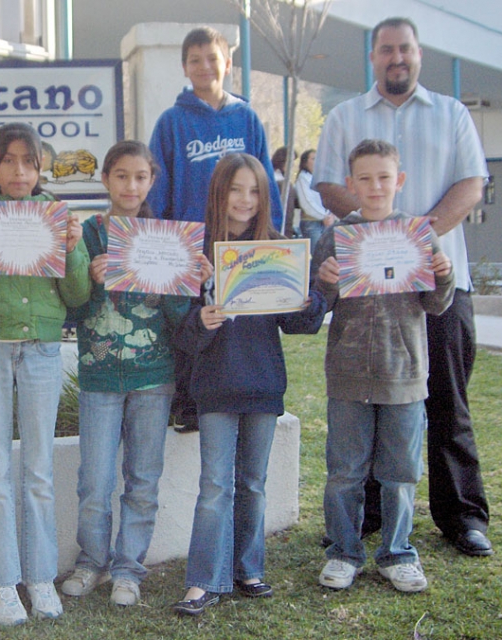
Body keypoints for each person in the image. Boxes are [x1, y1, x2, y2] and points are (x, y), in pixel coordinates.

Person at [312, 16, 492, 557]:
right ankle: (366, 520)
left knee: (446, 400)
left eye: (406, 49)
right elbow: (326, 184)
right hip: (364, 292)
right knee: (369, 398)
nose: (397, 58)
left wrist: (413, 242)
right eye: (386, 49)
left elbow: (472, 183)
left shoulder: (452, 113)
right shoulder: (344, 115)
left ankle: (462, 517)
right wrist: (375, 238)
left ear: (419, 54)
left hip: (435, 282)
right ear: (373, 56)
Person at [0, 123, 90, 626]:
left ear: (40, 167)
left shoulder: (58, 217)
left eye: (29, 162)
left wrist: (73, 248)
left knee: (38, 469)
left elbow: (76, 298)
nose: (19, 172)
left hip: (42, 351)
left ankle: (40, 578)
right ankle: (2, 582)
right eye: (8, 161)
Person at [171, 153, 326, 616]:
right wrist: (201, 316)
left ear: (266, 197)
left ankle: (248, 570)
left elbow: (300, 323)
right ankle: (202, 581)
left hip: (262, 382)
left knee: (254, 484)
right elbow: (181, 334)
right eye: (235, 189)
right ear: (219, 193)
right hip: (215, 385)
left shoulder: (278, 248)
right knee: (215, 483)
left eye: (254, 190)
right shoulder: (196, 250)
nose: (245, 199)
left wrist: (310, 296)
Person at [61, 141, 209, 607]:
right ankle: (91, 561)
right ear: (106, 179)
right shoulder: (87, 234)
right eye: (121, 175)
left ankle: (128, 568)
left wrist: (186, 280)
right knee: (95, 481)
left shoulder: (167, 237)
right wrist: (89, 278)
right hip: (100, 376)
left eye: (140, 177)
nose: (130, 185)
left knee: (143, 479)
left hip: (153, 373)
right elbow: (71, 305)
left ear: (151, 181)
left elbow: (180, 314)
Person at [313, 139, 455, 592]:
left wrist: (445, 274)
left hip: (404, 376)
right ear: (351, 184)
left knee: (399, 473)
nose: (375, 186)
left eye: (384, 177)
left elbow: (435, 305)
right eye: (365, 178)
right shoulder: (335, 238)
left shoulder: (418, 234)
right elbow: (316, 305)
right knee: (344, 473)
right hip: (348, 374)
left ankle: (397, 553)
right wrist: (325, 283)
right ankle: (343, 552)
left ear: (400, 181)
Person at [146, 26, 284, 434]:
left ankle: (248, 399)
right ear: (185, 67)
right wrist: (167, 245)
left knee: (241, 323)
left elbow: (264, 183)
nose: (204, 66)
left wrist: (271, 237)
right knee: (194, 322)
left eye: (212, 58)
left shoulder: (246, 118)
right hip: (194, 246)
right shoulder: (172, 122)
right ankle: (189, 405)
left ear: (227, 62)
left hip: (243, 242)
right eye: (194, 59)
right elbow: (159, 185)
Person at [295, 149, 336, 248]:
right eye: (313, 159)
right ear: (305, 162)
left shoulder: (322, 178)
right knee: (317, 258)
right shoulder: (303, 178)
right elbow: (307, 203)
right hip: (312, 223)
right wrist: (324, 216)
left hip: (327, 221)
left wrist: (332, 215)